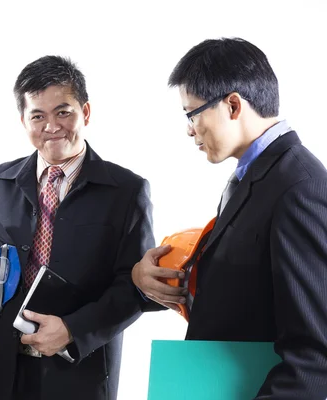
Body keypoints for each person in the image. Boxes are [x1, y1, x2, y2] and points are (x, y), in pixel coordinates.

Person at [0, 55, 154, 400]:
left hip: (81, 371)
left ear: (85, 113)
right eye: (38, 116)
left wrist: (73, 330)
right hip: (0, 371)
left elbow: (136, 286)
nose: (51, 126)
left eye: (63, 112)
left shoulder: (127, 190)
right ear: (23, 120)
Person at [132, 37, 327, 398]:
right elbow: (244, 296)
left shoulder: (300, 187)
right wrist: (147, 279)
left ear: (233, 105)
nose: (190, 130)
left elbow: (315, 356)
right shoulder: (253, 176)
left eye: (192, 114)